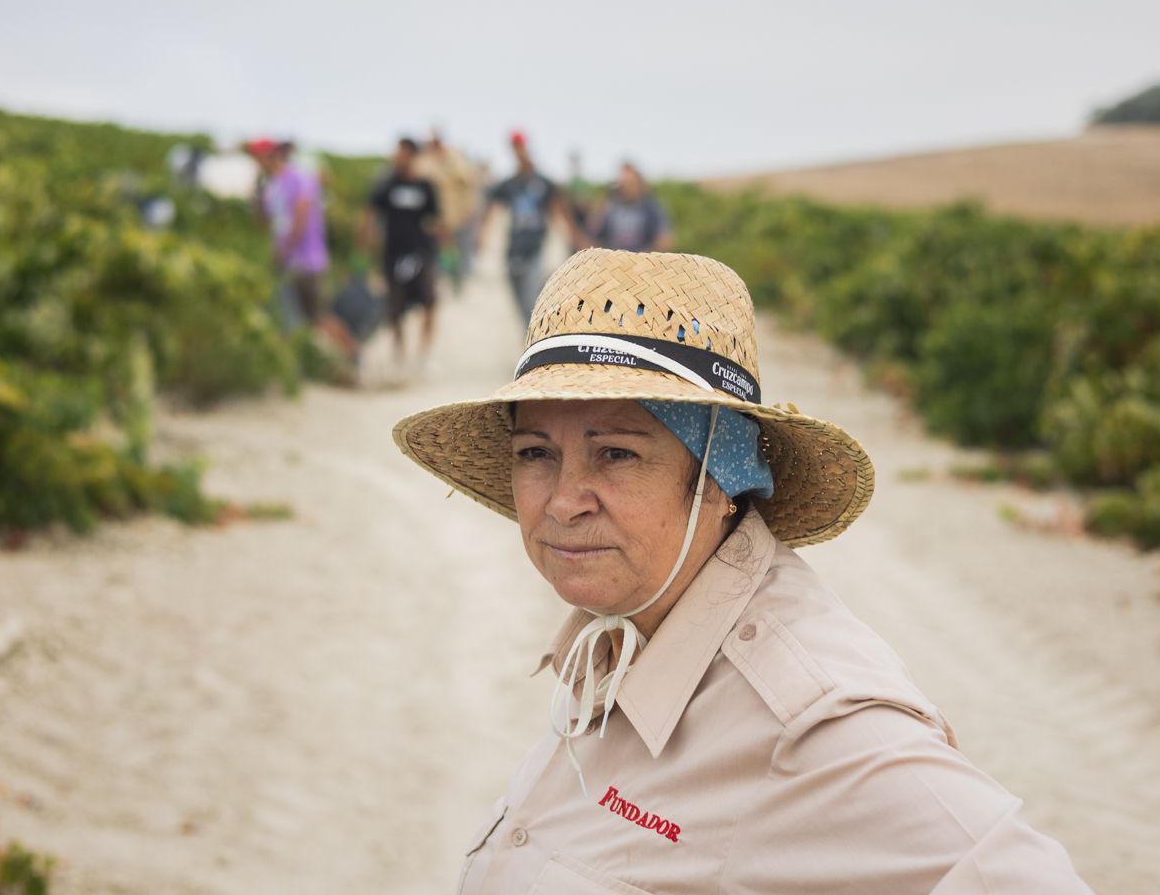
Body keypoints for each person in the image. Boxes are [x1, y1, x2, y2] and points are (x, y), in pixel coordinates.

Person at [392, 248, 1092, 893]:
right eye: (536, 453)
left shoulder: (806, 720)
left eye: (616, 454)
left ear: (721, 480)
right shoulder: (626, 628)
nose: (565, 500)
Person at [476, 131, 584, 329]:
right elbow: (491, 209)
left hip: (536, 250)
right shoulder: (509, 184)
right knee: (520, 307)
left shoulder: (543, 183)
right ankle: (529, 342)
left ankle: (535, 343)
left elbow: (559, 212)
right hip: (513, 250)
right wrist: (483, 234)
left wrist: (574, 239)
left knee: (531, 303)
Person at [361, 138, 446, 374]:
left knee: (430, 303)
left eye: (402, 153)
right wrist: (364, 248)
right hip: (393, 254)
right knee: (395, 308)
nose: (397, 157)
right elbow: (370, 215)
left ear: (412, 156)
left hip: (421, 254)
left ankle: (424, 354)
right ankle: (399, 356)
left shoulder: (426, 186)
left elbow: (436, 220)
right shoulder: (386, 185)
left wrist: (445, 249)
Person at [246, 138, 329, 328]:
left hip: (307, 259)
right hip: (288, 262)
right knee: (294, 321)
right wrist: (256, 193)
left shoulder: (299, 178)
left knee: (318, 318)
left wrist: (283, 252)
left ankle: (353, 353)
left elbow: (301, 219)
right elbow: (263, 222)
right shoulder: (271, 186)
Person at [414, 128, 482, 293]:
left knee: (456, 250)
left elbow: (470, 184)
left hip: (456, 214)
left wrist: (469, 209)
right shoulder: (423, 161)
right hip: (433, 217)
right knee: (436, 250)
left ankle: (456, 279)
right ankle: (439, 280)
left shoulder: (456, 157)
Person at [587, 161, 673, 252]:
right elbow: (593, 231)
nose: (627, 188)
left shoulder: (651, 208)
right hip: (613, 259)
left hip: (642, 259)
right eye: (624, 184)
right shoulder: (610, 207)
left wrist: (647, 257)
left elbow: (665, 239)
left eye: (631, 183)